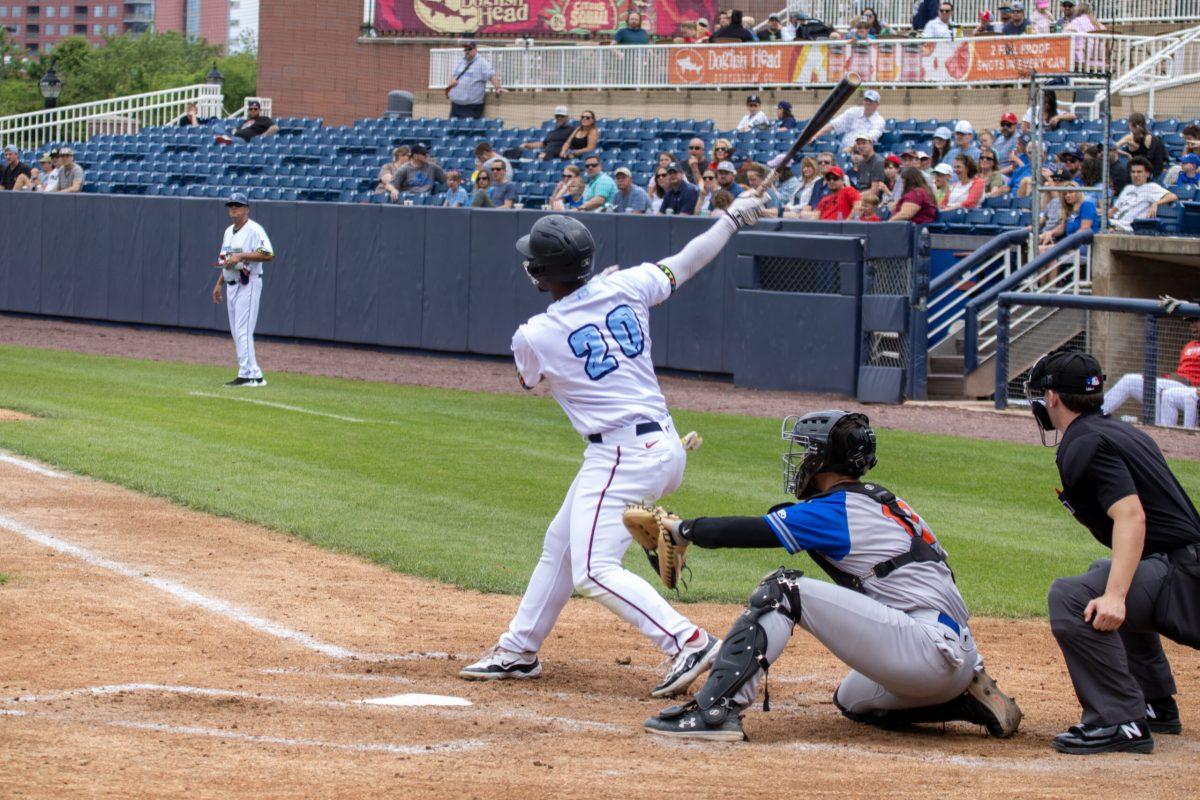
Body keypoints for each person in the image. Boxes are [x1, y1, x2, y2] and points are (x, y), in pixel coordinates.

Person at [458, 194, 768, 693]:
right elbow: (689, 260)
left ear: (541, 273)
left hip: (622, 454)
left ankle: (687, 640)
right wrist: (731, 218)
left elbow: (532, 383)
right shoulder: (628, 285)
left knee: (593, 571)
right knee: (561, 545)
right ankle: (518, 649)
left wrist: (587, 300)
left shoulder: (534, 334)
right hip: (663, 445)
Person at [642, 410, 1022, 742]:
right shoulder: (882, 502)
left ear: (824, 458)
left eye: (808, 450)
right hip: (955, 654)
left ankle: (716, 712)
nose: (802, 459)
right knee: (852, 700)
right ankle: (964, 699)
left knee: (783, 590)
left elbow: (749, 531)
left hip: (925, 651)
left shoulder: (836, 510)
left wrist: (682, 530)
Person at [1025, 349, 1200, 754]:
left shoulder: (1083, 443)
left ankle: (1120, 720)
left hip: (1184, 578)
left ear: (1052, 398)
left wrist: (1117, 597)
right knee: (1105, 571)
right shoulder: (1120, 431)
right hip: (1182, 568)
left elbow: (1132, 517)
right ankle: (1154, 703)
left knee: (1072, 597)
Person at [211, 192, 274, 388]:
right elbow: (226, 260)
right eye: (231, 205)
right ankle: (253, 373)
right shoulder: (229, 231)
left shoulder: (255, 229)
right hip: (231, 284)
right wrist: (219, 283)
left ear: (247, 208)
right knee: (238, 332)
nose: (233, 208)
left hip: (249, 283)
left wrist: (241, 256)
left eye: (238, 205)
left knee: (243, 330)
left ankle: (247, 375)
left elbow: (268, 254)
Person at [1102, 315, 1200, 426]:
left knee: (1156, 387)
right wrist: (1156, 376)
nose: (1192, 326)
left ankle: (1159, 427)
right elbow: (1181, 373)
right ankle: (1097, 414)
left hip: (1193, 388)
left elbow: (1187, 378)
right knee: (1129, 380)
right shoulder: (1189, 345)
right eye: (1191, 322)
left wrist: (1184, 381)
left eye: (1196, 321)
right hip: (1177, 385)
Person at [1110, 157, 1177, 232]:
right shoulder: (1128, 188)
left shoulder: (1151, 187)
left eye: (1139, 172)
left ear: (1147, 174)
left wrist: (1156, 203)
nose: (1135, 175)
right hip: (1113, 224)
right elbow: (1113, 211)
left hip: (1127, 229)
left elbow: (1173, 196)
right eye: (1133, 172)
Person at [446, 40, 502, 119]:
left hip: (471, 107)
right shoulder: (462, 62)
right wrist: (452, 82)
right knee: (453, 130)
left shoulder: (482, 63)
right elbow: (455, 75)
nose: (467, 51)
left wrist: (498, 87)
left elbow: (492, 75)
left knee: (466, 130)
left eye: (469, 49)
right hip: (455, 106)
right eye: (465, 49)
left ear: (475, 50)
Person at [816, 89, 885, 153]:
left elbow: (868, 140)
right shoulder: (853, 111)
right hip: (843, 148)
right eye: (866, 100)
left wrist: (851, 149)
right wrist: (815, 136)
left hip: (861, 153)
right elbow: (833, 124)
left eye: (871, 101)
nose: (867, 103)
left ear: (877, 104)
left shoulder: (879, 121)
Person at [1039, 177, 1096, 249]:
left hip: (1083, 245)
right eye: (1065, 194)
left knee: (1042, 250)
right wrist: (1051, 233)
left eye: (1071, 192)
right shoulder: (1069, 209)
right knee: (1036, 246)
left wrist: (1067, 242)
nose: (1067, 195)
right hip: (1069, 243)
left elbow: (1084, 229)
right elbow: (1062, 229)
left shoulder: (1087, 205)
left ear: (1078, 193)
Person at [1115, 113, 1169, 180]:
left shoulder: (1129, 138)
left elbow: (1113, 147)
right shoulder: (1153, 138)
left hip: (1136, 175)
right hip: (1152, 174)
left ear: (1131, 125)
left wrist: (1127, 155)